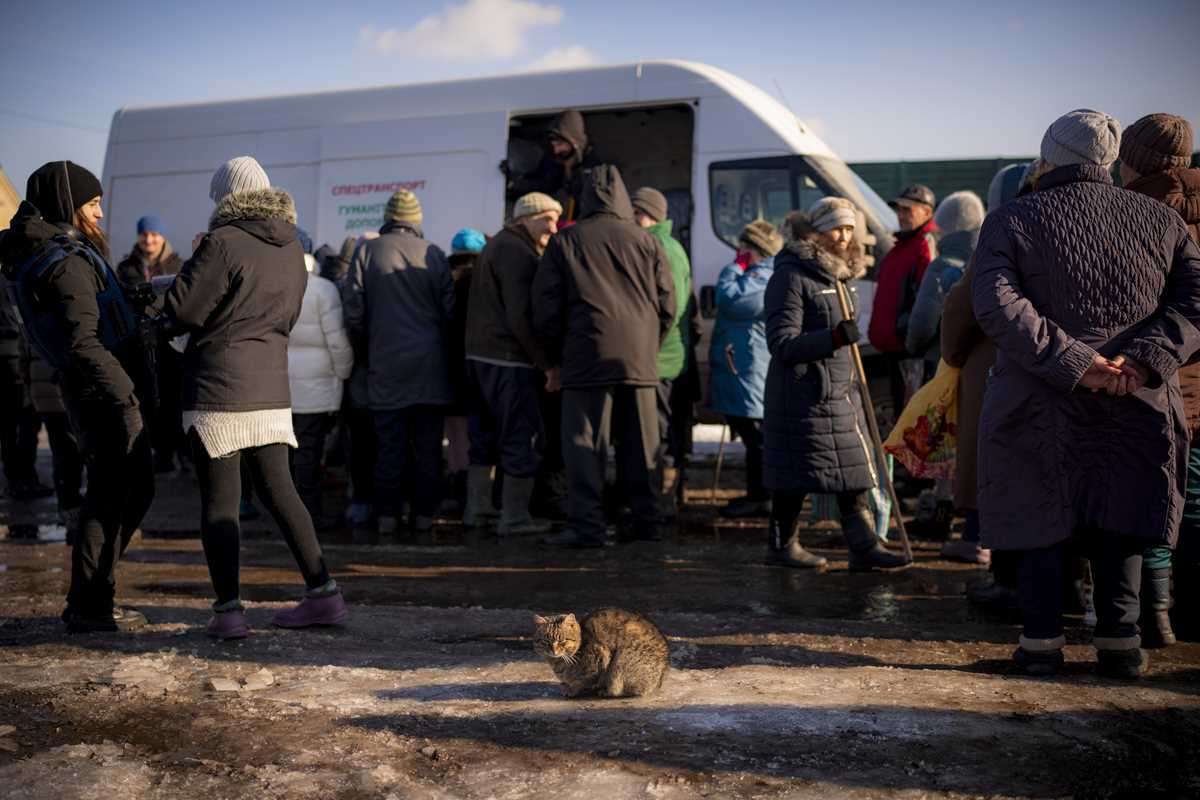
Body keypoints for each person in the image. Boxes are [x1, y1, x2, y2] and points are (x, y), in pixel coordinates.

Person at [972, 109, 1200, 678]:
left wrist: (1073, 362)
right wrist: (1141, 360)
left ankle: (1041, 642)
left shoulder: (1010, 219)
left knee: (1040, 509)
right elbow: (1194, 303)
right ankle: (1121, 642)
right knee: (1123, 510)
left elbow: (996, 303)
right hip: (1136, 392)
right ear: (1111, 159)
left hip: (1037, 394)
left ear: (1048, 156)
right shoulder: (1161, 220)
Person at [164, 156, 346, 639]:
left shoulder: (222, 241)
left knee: (221, 503)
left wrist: (190, 266)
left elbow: (183, 310)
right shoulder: (292, 247)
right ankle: (324, 593)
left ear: (226, 197)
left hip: (218, 390)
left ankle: (228, 611)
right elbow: (285, 318)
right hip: (272, 389)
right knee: (281, 493)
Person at [0, 161, 155, 632]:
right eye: (92, 203)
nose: (100, 213)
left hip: (93, 389)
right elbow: (84, 342)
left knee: (122, 492)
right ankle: (90, 604)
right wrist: (125, 394)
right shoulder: (65, 261)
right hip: (101, 393)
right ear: (67, 204)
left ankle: (92, 598)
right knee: (114, 495)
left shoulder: (58, 252)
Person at [764, 198, 911, 572]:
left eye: (849, 228)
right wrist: (832, 338)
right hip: (802, 395)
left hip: (840, 392)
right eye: (836, 228)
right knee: (795, 475)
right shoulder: (791, 275)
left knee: (852, 471)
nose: (844, 236)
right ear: (816, 230)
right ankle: (782, 545)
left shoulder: (843, 275)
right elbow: (782, 343)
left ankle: (864, 546)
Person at [533, 165, 675, 548]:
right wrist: (649, 345)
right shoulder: (647, 241)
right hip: (639, 360)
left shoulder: (566, 241)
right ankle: (645, 524)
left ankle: (587, 526)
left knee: (584, 446)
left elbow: (546, 307)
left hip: (585, 355)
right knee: (641, 447)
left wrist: (555, 356)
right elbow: (668, 303)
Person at [1118, 112, 1200, 646]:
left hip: (1154, 377)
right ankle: (1188, 612)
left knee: (1150, 496)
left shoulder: (1134, 216)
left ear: (1131, 162)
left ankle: (1157, 616)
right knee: (1195, 496)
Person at [345, 189, 455, 534]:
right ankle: (424, 517)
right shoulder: (434, 254)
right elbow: (449, 313)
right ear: (415, 220)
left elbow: (353, 312)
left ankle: (387, 518)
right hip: (430, 368)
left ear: (389, 218)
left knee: (388, 447)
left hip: (385, 366)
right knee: (428, 448)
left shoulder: (367, 251)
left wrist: (368, 350)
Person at [941, 166, 1032, 579]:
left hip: (993, 361)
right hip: (1065, 366)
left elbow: (963, 307)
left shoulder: (997, 236)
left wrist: (953, 356)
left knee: (988, 454)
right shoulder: (1067, 228)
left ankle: (983, 545)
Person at [464, 194, 562, 535]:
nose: (553, 228)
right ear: (525, 218)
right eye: (546, 219)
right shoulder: (518, 252)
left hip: (479, 358)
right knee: (521, 435)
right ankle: (515, 517)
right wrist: (546, 363)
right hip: (508, 361)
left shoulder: (497, 245)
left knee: (484, 436)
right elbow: (521, 316)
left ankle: (478, 510)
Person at [904, 190, 987, 542]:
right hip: (980, 368)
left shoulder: (942, 265)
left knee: (941, 440)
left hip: (941, 365)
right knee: (972, 441)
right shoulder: (990, 256)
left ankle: (940, 512)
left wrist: (912, 345)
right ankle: (972, 519)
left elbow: (923, 322)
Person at [709, 221, 784, 519]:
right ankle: (758, 492)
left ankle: (763, 496)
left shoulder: (763, 275)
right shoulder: (759, 273)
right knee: (753, 433)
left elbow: (732, 300)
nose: (738, 252)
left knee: (757, 434)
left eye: (743, 248)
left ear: (755, 249)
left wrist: (734, 268)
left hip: (750, 365)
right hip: (744, 362)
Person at [631, 187, 692, 517]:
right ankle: (664, 499)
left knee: (660, 432)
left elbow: (673, 305)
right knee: (663, 430)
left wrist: (648, 345)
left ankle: (661, 503)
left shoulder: (660, 247)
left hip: (660, 359)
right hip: (665, 356)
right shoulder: (665, 245)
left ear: (644, 214)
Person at [287, 249, 354, 529]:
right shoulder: (323, 289)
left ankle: (288, 513)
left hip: (279, 382)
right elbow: (337, 341)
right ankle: (309, 515)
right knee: (309, 451)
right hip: (316, 385)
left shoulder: (275, 287)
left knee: (285, 452)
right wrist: (344, 373)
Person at [117, 215, 187, 473]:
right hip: (138, 345)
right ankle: (161, 453)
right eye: (145, 234)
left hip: (170, 345)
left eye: (154, 234)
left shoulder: (178, 265)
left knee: (174, 398)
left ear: (162, 236)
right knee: (148, 400)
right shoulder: (126, 267)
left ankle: (182, 451)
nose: (149, 240)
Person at [868, 184, 938, 419]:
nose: (901, 215)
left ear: (927, 212)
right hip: (896, 348)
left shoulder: (924, 244)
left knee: (913, 420)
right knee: (904, 417)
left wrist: (914, 337)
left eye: (908, 210)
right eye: (899, 210)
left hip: (911, 351)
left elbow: (931, 298)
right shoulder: (902, 246)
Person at [444, 228, 487, 517]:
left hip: (450, 366)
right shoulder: (486, 279)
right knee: (480, 432)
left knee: (456, 434)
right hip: (482, 365)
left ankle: (458, 491)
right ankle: (478, 499)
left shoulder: (445, 279)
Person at [0, 282, 49, 501]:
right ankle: (25, 478)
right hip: (15, 352)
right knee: (26, 418)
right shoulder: (12, 277)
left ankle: (14, 478)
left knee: (8, 423)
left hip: (9, 352)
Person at [508, 109, 599, 223]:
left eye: (560, 144)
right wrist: (513, 184)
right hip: (563, 222)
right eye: (553, 145)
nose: (557, 150)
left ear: (573, 141)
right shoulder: (556, 161)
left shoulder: (593, 167)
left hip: (584, 223)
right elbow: (542, 184)